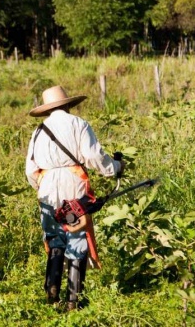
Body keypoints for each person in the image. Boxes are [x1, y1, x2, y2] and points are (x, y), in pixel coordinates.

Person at [25, 85, 124, 311]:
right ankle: (73, 301)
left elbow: (30, 170)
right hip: (73, 184)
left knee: (54, 238)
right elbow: (93, 157)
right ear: (68, 104)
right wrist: (115, 167)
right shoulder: (79, 124)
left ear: (48, 109)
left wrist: (42, 186)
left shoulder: (39, 131)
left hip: (47, 186)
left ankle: (52, 291)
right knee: (77, 235)